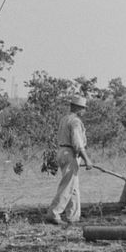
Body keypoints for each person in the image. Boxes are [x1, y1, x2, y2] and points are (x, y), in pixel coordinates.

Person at [47, 95, 93, 225]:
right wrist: (87, 159)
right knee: (67, 185)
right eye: (83, 108)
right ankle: (54, 213)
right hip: (70, 153)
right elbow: (78, 143)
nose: (84, 111)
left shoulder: (64, 119)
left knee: (73, 186)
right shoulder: (75, 122)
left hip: (62, 151)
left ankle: (73, 217)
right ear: (78, 108)